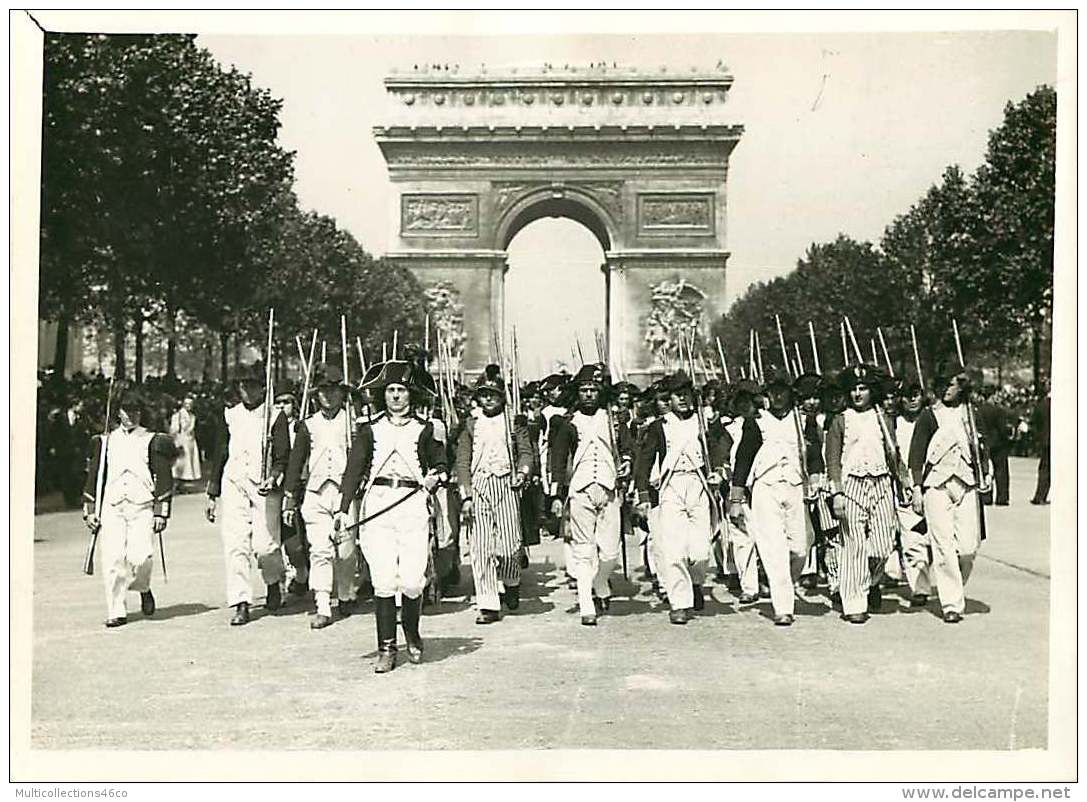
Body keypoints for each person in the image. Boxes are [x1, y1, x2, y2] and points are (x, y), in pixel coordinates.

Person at [337, 357, 447, 673]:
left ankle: (411, 632)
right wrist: (343, 510)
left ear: (411, 394)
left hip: (413, 505)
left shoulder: (425, 430)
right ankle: (387, 648)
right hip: (378, 506)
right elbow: (353, 471)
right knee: (384, 580)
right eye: (390, 390)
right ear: (382, 394)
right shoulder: (369, 430)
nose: (396, 396)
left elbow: (442, 464)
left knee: (412, 581)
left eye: (401, 390)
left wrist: (435, 476)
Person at [635, 372, 729, 624]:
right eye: (678, 396)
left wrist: (718, 471)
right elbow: (643, 461)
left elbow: (721, 447)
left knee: (700, 551)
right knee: (674, 551)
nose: (683, 400)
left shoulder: (704, 421)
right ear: (670, 398)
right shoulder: (659, 426)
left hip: (699, 485)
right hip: (671, 487)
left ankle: (696, 582)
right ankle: (679, 603)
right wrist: (643, 493)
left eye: (687, 395)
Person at [729, 367, 818, 626]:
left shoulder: (803, 421)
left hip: (795, 487)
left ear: (791, 394)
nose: (778, 397)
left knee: (801, 547)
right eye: (773, 392)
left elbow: (814, 456)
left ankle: (782, 583)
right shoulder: (756, 421)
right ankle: (783, 606)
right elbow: (743, 459)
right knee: (773, 549)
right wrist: (736, 499)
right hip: (765, 488)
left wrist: (815, 480)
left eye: (783, 392)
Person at [548, 363, 634, 626]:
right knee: (583, 551)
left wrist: (627, 460)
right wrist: (556, 495)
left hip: (609, 489)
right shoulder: (568, 422)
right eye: (584, 389)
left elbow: (627, 447)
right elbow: (559, 459)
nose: (588, 394)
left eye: (593, 389)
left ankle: (600, 582)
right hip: (580, 490)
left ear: (600, 392)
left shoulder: (614, 419)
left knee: (609, 553)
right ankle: (586, 603)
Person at [205, 363, 290, 626]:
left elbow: (282, 455)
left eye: (253, 385)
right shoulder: (230, 415)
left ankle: (274, 581)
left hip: (264, 487)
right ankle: (241, 602)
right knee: (235, 546)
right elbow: (220, 452)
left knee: (265, 547)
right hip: (235, 484)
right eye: (243, 385)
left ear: (263, 387)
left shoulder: (274, 416)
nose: (248, 391)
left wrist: (275, 475)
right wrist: (212, 492)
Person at [82, 389, 175, 627]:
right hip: (112, 506)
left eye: (136, 410)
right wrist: (90, 509)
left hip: (141, 505)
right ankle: (116, 610)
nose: (131, 415)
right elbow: (94, 477)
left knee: (141, 557)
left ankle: (143, 587)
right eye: (126, 410)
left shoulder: (152, 439)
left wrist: (161, 511)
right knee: (113, 559)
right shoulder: (104, 441)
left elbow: (163, 477)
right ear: (117, 413)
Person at [824, 364, 909, 625]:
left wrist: (904, 479)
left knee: (883, 545)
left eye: (863, 389)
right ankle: (854, 602)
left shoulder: (883, 417)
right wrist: (837, 492)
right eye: (854, 389)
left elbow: (893, 451)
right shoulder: (840, 419)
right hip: (852, 485)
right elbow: (833, 459)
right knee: (855, 544)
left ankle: (869, 581)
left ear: (872, 391)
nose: (858, 394)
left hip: (881, 483)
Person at [454, 365, 534, 624]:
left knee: (511, 545)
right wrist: (465, 494)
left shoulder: (514, 422)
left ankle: (511, 581)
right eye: (484, 394)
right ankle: (488, 603)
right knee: (480, 547)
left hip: (506, 484)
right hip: (479, 486)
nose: (488, 399)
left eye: (494, 394)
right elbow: (463, 460)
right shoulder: (470, 424)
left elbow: (525, 452)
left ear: (502, 396)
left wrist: (522, 473)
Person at [908, 371, 988, 623]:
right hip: (936, 485)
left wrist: (987, 473)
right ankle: (951, 603)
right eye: (941, 384)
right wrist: (917, 488)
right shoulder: (929, 415)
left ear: (962, 386)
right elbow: (916, 455)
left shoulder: (972, 415)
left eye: (951, 384)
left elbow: (985, 449)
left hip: (966, 483)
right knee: (942, 546)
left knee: (967, 547)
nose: (946, 389)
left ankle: (955, 585)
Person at [283, 366, 359, 629]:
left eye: (332, 390)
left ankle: (347, 591)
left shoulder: (354, 422)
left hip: (344, 494)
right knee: (319, 550)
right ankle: (323, 604)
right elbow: (296, 461)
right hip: (316, 493)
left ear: (341, 392)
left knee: (347, 551)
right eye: (322, 391)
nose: (327, 396)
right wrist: (290, 496)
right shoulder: (308, 425)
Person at [892, 380, 933, 608]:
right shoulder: (894, 424)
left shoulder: (932, 419)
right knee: (913, 540)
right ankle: (920, 587)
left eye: (916, 394)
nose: (912, 399)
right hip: (907, 487)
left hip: (935, 484)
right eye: (907, 396)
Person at [275, 388, 310, 596]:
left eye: (286, 402)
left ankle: (303, 573)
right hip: (276, 485)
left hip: (299, 484)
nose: (282, 407)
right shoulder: (269, 427)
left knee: (298, 536)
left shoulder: (301, 427)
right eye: (278, 403)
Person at [976, 387, 1011, 506]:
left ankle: (986, 496)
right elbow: (1002, 428)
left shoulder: (978, 410)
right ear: (993, 395)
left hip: (984, 443)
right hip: (998, 443)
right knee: (1001, 471)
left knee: (986, 470)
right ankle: (1002, 497)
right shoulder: (998, 410)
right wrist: (1008, 437)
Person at [170, 395, 202, 482]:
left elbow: (192, 428)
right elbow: (174, 429)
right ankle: (179, 478)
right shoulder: (178, 415)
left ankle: (188, 477)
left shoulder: (192, 416)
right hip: (181, 439)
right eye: (186, 404)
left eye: (190, 404)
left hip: (190, 440)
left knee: (190, 458)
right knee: (181, 459)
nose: (188, 406)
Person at [1030, 391, 1050, 505]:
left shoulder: (1040, 406)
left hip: (1045, 441)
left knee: (1044, 469)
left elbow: (1035, 423)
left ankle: (1039, 496)